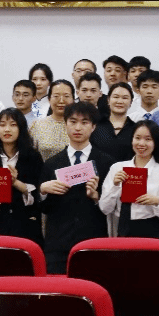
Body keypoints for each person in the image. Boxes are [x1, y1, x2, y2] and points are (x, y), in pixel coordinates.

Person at [40, 101, 112, 273]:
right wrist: (43, 191)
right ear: (65, 124)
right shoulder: (52, 163)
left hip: (93, 242)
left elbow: (112, 207)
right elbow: (44, 207)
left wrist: (96, 197)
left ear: (93, 127)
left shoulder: (106, 162)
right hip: (58, 244)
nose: (78, 127)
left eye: (84, 122)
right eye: (73, 122)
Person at [99, 119, 159, 240]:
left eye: (148, 139)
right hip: (120, 229)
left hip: (150, 232)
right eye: (137, 138)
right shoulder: (117, 168)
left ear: (156, 142)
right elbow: (104, 208)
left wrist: (157, 202)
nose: (141, 143)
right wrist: (115, 185)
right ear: (132, 139)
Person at [0, 107, 43, 243]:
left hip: (24, 224)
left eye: (13, 125)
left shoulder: (33, 157)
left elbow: (38, 194)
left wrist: (14, 182)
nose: (7, 130)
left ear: (21, 128)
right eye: (2, 125)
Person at [92, 82, 137, 162]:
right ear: (108, 100)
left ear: (131, 102)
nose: (119, 101)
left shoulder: (136, 129)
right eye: (116, 97)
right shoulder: (95, 126)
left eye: (125, 98)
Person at [30, 79, 75, 160]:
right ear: (49, 99)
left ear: (73, 99)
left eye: (66, 96)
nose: (61, 101)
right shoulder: (37, 125)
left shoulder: (80, 125)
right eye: (56, 96)